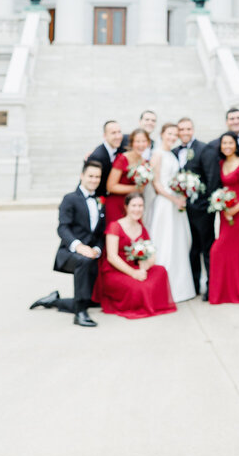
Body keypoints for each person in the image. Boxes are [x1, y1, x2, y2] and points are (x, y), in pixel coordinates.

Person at [29, 159, 105, 328]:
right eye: (91, 176)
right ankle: (79, 314)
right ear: (82, 176)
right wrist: (79, 246)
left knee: (91, 299)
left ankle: (54, 301)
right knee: (83, 261)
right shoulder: (70, 199)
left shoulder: (100, 200)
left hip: (90, 253)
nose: (94, 180)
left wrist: (97, 250)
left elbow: (100, 233)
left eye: (97, 177)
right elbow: (62, 228)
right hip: (69, 253)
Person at [93, 190, 176, 319]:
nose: (137, 209)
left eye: (140, 206)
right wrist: (133, 273)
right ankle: (139, 302)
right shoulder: (115, 226)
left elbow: (151, 254)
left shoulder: (141, 228)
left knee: (161, 271)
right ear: (126, 207)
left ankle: (148, 300)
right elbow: (112, 257)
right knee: (139, 287)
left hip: (137, 267)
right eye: (134, 206)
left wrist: (144, 269)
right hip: (115, 271)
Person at [208, 132, 239, 304]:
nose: (227, 146)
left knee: (230, 252)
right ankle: (224, 292)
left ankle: (238, 290)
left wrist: (236, 208)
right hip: (224, 213)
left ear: (236, 145)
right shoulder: (221, 163)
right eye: (224, 143)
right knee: (222, 252)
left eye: (230, 143)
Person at [149, 122, 195, 302]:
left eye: (175, 134)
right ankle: (164, 288)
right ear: (162, 134)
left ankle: (181, 288)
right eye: (169, 133)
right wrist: (174, 199)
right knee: (165, 241)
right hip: (165, 204)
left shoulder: (172, 154)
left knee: (180, 242)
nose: (173, 137)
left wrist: (181, 196)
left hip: (177, 203)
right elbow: (157, 184)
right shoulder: (157, 154)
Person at [173, 116, 210, 297]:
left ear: (193, 130)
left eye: (188, 129)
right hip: (181, 210)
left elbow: (209, 177)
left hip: (201, 210)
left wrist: (205, 204)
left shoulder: (203, 149)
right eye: (181, 130)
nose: (185, 132)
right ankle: (193, 286)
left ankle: (210, 286)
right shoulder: (173, 152)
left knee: (206, 247)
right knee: (191, 249)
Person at [104, 127, 152, 227]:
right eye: (137, 141)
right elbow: (111, 186)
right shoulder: (122, 159)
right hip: (116, 204)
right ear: (132, 143)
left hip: (134, 207)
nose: (141, 145)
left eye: (144, 141)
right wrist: (136, 188)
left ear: (148, 143)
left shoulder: (146, 163)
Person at [85, 119, 126, 198]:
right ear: (105, 136)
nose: (118, 136)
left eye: (119, 132)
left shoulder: (123, 144)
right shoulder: (97, 156)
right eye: (113, 133)